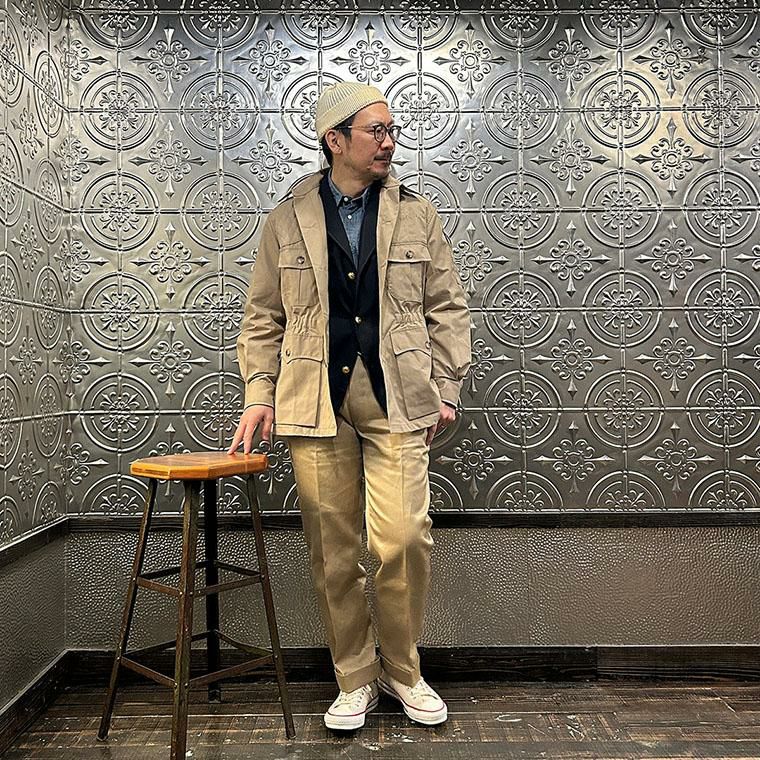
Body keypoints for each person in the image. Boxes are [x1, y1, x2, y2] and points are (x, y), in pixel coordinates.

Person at [229, 81, 471, 731]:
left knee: (403, 540)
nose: (389, 142)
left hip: (399, 395)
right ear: (334, 140)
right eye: (376, 131)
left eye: (392, 130)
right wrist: (258, 394)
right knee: (334, 550)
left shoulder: (417, 213)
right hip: (313, 399)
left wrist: (447, 386)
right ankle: (355, 677)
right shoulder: (288, 218)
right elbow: (262, 318)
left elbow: (447, 308)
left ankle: (403, 671)